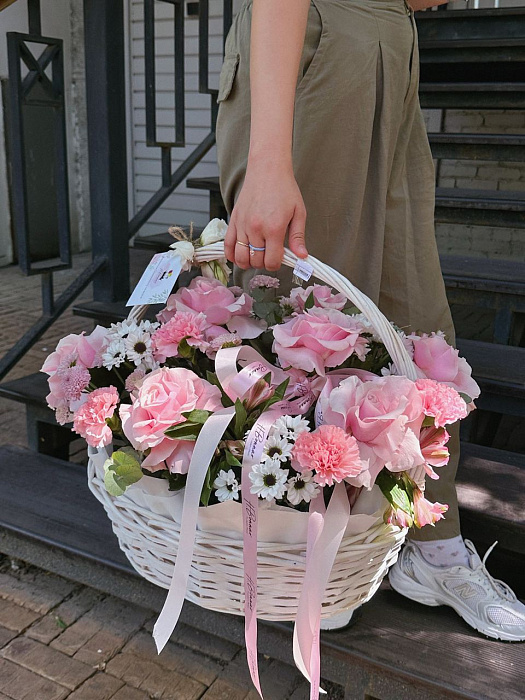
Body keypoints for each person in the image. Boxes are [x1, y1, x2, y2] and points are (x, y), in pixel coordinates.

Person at [214, 0, 525, 641]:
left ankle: (429, 544)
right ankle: (295, 551)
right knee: (305, 317)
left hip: (390, 44)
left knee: (414, 316)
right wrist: (270, 159)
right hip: (309, 33)